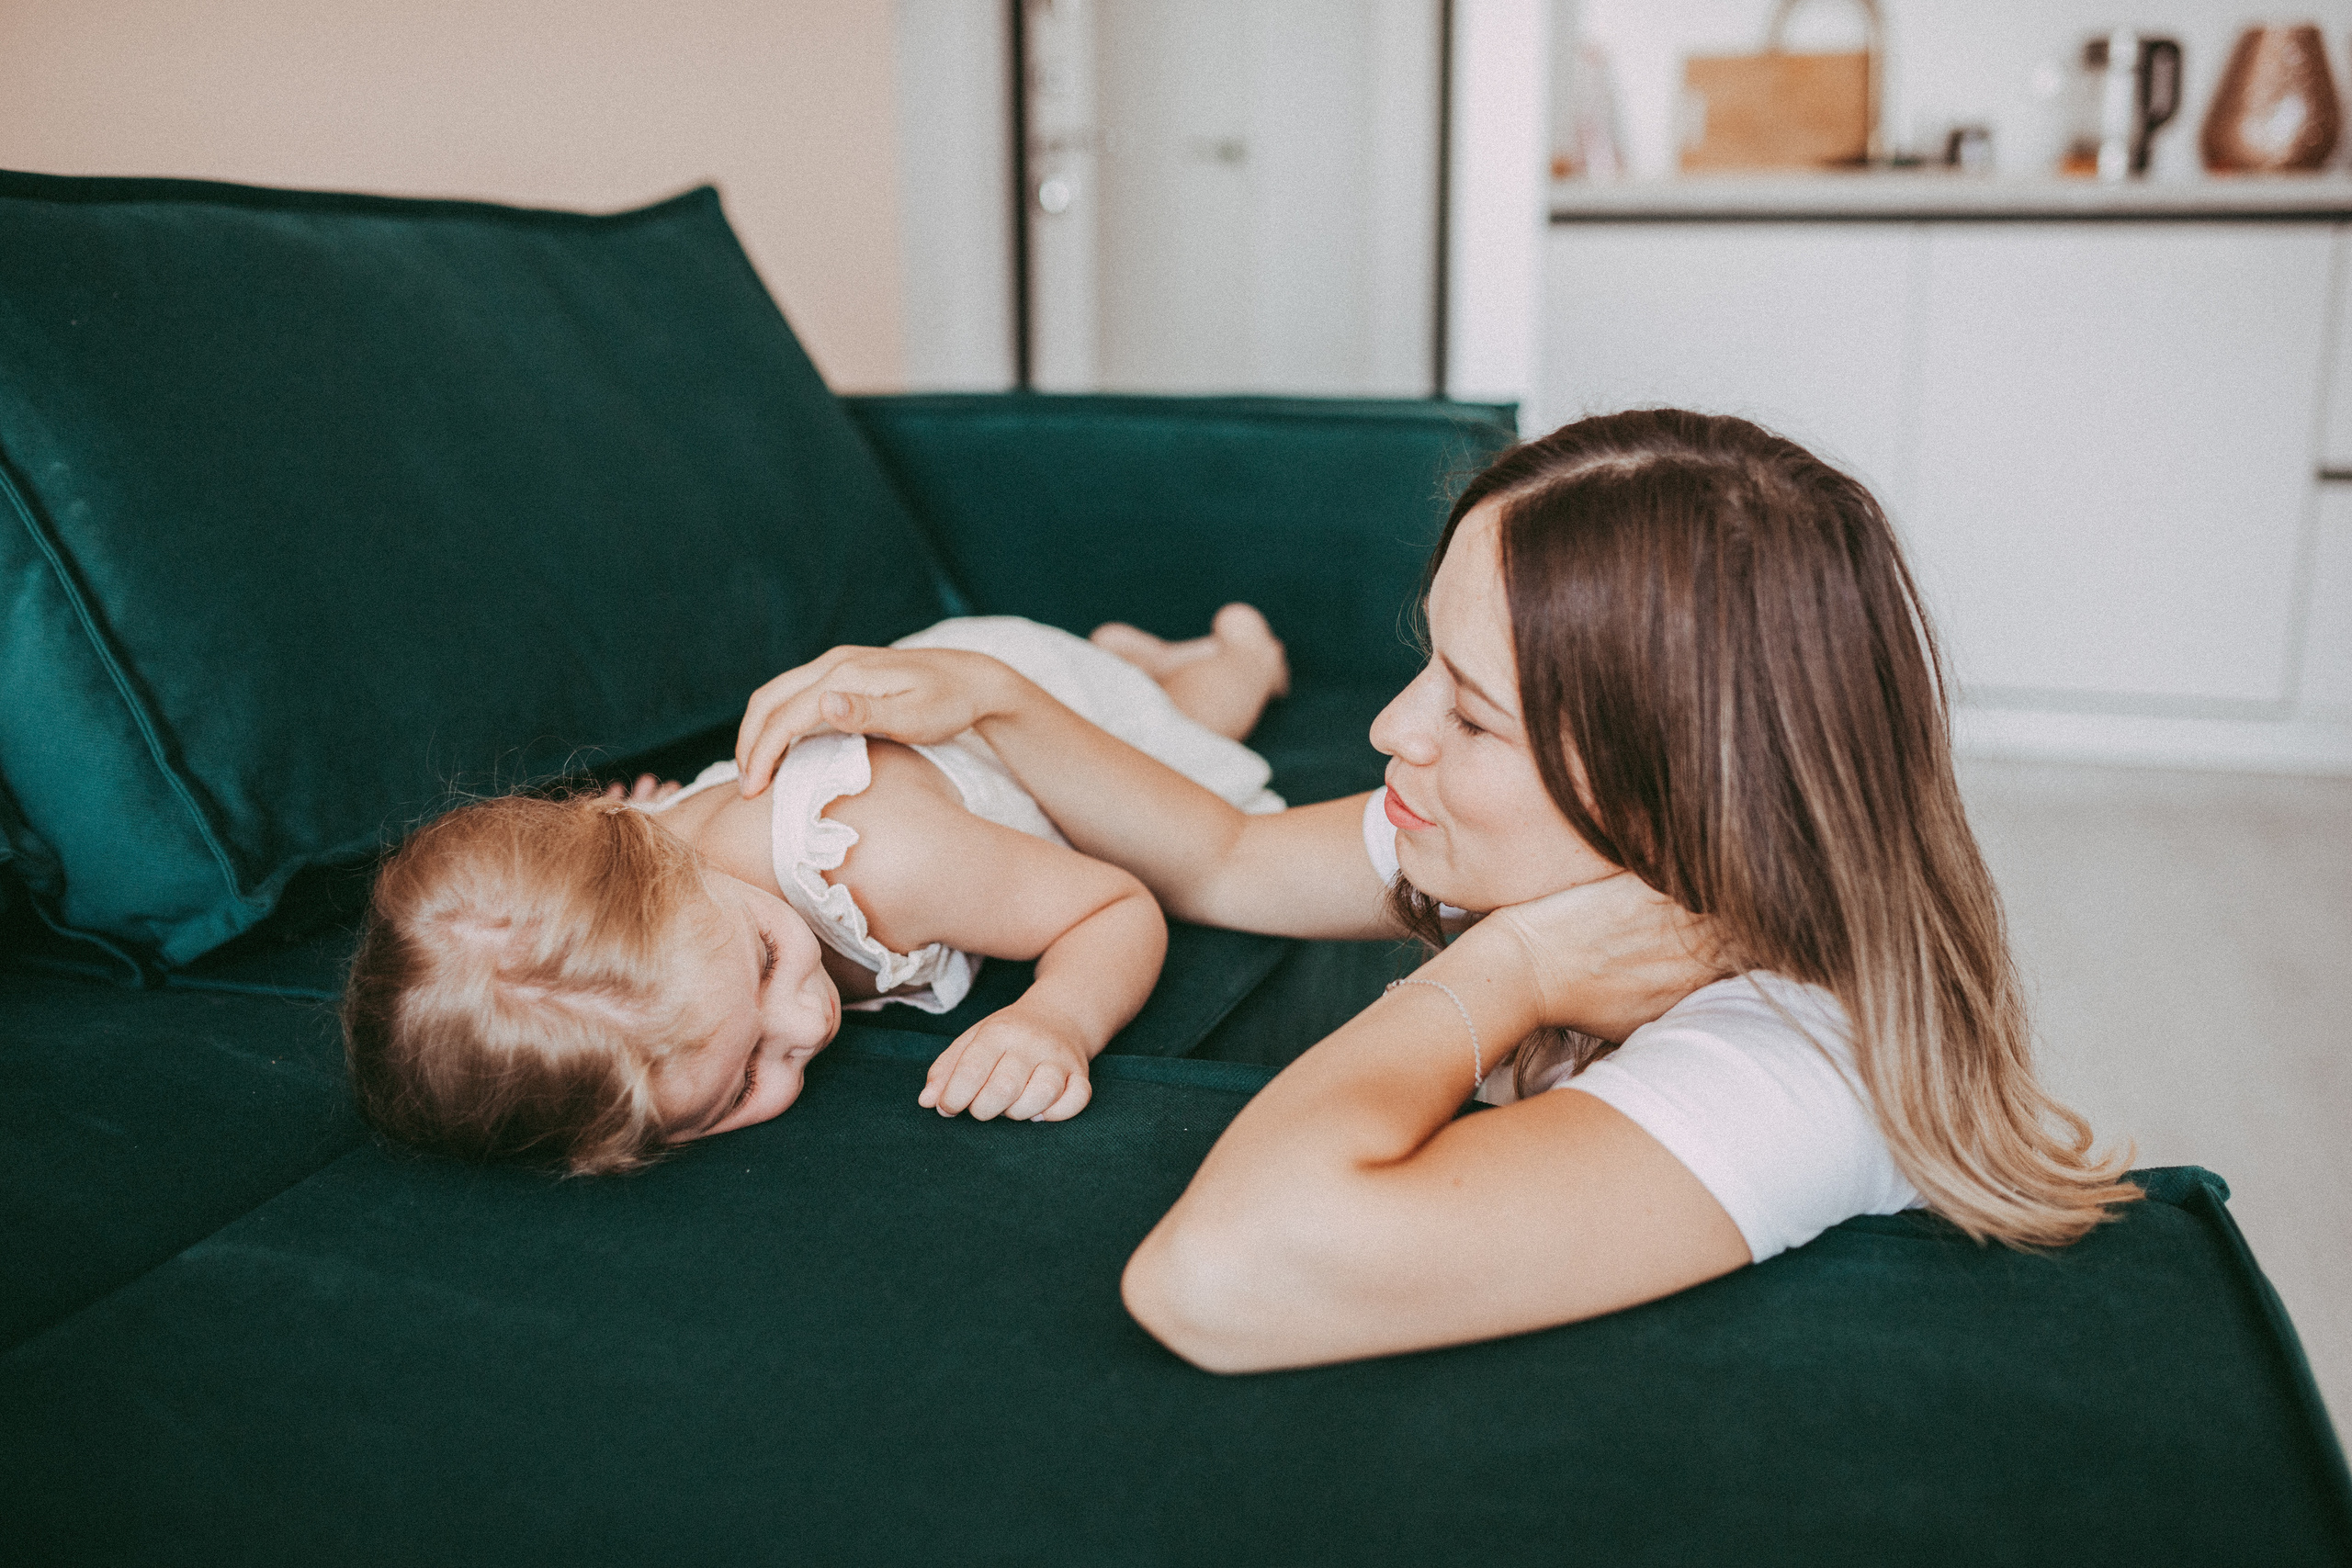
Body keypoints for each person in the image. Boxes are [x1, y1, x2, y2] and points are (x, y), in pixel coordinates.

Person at [729, 409, 2141, 1372]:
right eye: (1429, 664)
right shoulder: (1590, 854)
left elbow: (1213, 1281)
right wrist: (989, 695)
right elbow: (1225, 855)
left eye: (1473, 715)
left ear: (1675, 797)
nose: (1395, 728)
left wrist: (1509, 970)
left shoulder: (1799, 1067)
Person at [340, 611, 1293, 1175]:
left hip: (1024, 713)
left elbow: (1113, 902)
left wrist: (1058, 1019)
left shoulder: (882, 861)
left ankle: (1229, 663)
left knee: (1192, 757)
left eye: (764, 959)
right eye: (743, 1080)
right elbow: (603, 835)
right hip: (924, 733)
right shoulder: (643, 862)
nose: (803, 1024)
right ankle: (1143, 653)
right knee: (1150, 687)